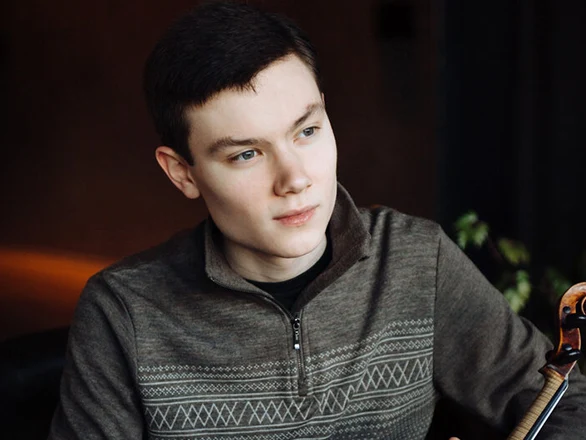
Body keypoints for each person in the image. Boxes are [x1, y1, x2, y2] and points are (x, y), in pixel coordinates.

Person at [48, 1, 586, 439]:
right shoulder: (123, 312)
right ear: (182, 172)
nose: (296, 179)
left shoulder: (417, 259)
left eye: (306, 130)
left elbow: (563, 401)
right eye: (245, 155)